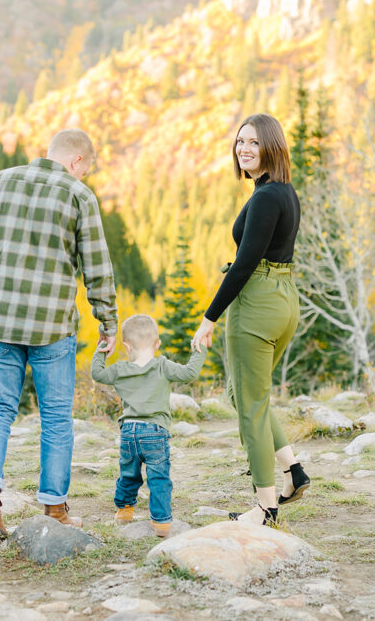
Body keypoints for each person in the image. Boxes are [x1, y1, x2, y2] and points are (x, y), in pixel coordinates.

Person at [0, 128, 117, 545]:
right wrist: (108, 320)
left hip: (1, 320)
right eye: (87, 168)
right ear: (77, 162)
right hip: (52, 326)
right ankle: (53, 507)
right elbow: (96, 266)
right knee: (55, 417)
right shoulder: (78, 195)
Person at [191, 113, 311, 526]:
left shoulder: (264, 198)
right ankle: (293, 472)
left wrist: (210, 317)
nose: (244, 149)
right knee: (248, 395)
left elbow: (243, 265)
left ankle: (266, 506)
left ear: (271, 148)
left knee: (250, 406)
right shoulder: (284, 191)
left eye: (254, 143)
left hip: (257, 302)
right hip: (283, 299)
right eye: (240, 141)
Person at [91, 314, 205, 538]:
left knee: (129, 475)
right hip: (155, 432)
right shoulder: (162, 365)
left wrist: (102, 348)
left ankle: (124, 510)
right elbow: (190, 372)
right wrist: (199, 349)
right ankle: (161, 523)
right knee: (159, 477)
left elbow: (97, 373)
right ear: (157, 343)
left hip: (128, 432)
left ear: (126, 345)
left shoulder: (120, 369)